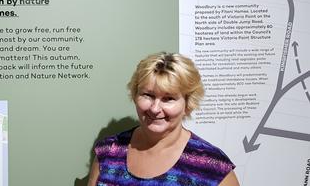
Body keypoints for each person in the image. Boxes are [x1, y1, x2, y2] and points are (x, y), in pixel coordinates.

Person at [88, 52, 239, 186]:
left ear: (188, 104)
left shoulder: (212, 167)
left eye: (168, 98)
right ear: (135, 95)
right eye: (148, 95)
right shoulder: (108, 152)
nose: (155, 108)